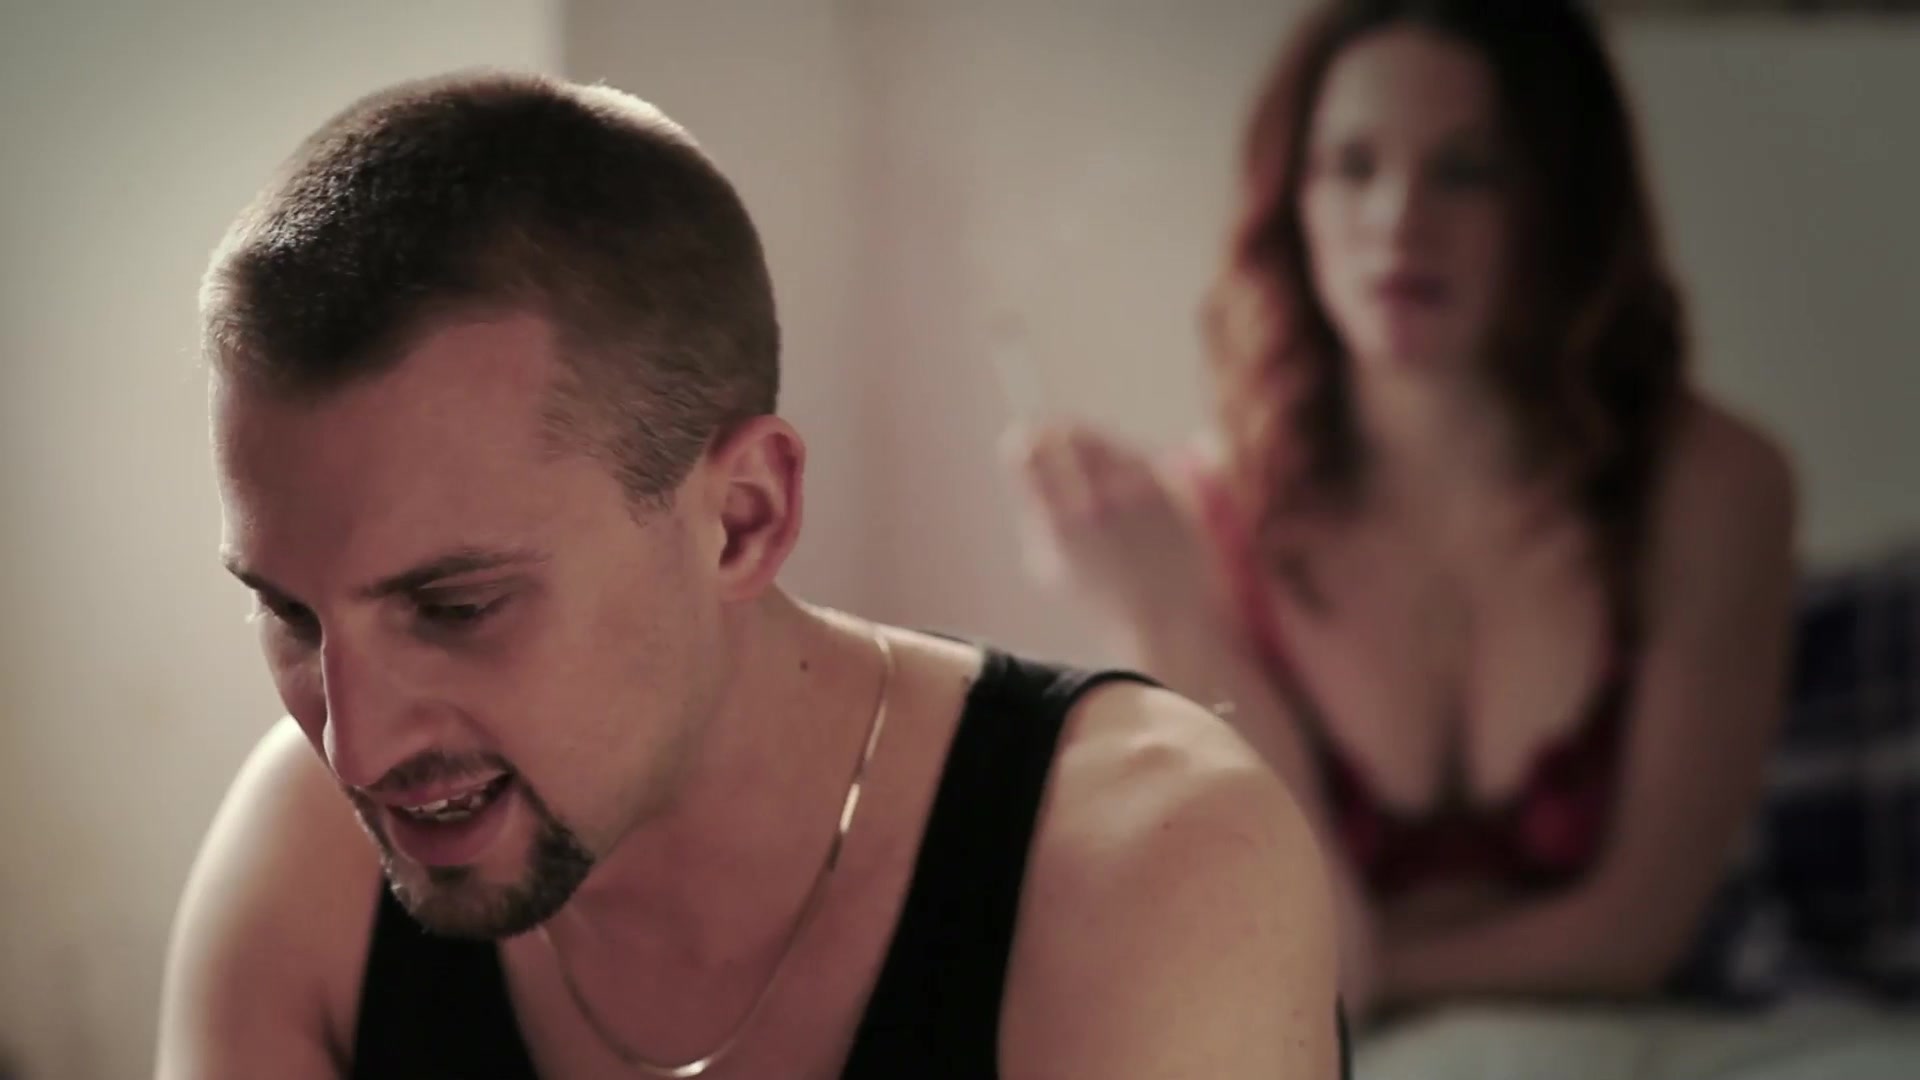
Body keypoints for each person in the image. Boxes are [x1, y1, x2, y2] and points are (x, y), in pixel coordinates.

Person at [154, 72, 1344, 1079]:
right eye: (288, 612)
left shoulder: (1153, 863)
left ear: (742, 519)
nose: (355, 747)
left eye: (455, 608)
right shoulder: (309, 857)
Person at [1011, 0, 1797, 1022]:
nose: (1398, 222)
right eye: (1352, 166)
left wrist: (1361, 976)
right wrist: (1167, 623)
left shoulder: (1712, 489)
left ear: (1563, 203)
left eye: (1467, 171)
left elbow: (1636, 933)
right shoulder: (1191, 531)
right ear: (1293, 199)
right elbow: (1264, 912)